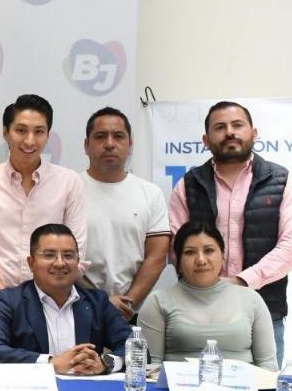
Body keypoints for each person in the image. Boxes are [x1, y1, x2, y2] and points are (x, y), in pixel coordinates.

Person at [168, 100, 291, 364]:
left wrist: (242, 281)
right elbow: (177, 248)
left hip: (264, 312)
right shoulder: (188, 185)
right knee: (195, 386)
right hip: (198, 314)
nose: (230, 132)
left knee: (263, 387)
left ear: (254, 133)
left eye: (237, 125)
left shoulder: (282, 180)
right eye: (220, 127)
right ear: (206, 140)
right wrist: (211, 287)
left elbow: (289, 245)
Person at [0, 94, 86, 342]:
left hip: (51, 315)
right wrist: (11, 302)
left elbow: (77, 252)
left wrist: (35, 305)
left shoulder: (69, 182)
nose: (30, 140)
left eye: (39, 132)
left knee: (55, 369)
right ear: (5, 132)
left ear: (48, 135)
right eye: (21, 130)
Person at [0, 224, 132, 374]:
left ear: (78, 262)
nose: (60, 263)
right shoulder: (9, 301)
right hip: (33, 389)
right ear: (31, 263)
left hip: (85, 388)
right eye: (49, 255)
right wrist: (49, 363)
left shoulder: (97, 302)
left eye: (68, 256)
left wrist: (106, 363)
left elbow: (135, 346)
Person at [139, 221, 277, 370]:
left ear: (223, 256)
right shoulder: (158, 302)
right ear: (178, 260)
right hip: (178, 385)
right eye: (190, 252)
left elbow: (268, 366)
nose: (201, 260)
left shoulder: (251, 299)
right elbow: (149, 369)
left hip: (243, 385)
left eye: (209, 250)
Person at [80, 107, 169, 320]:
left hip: (129, 311)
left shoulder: (150, 193)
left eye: (118, 136)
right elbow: (62, 258)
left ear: (130, 144)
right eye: (100, 136)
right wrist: (101, 302)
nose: (110, 143)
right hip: (78, 308)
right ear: (86, 145)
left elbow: (156, 257)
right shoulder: (69, 189)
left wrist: (127, 304)